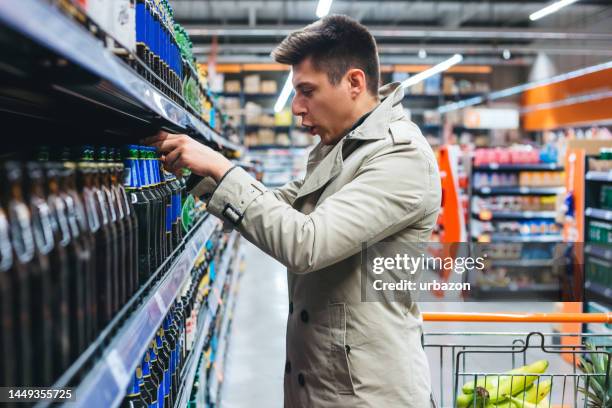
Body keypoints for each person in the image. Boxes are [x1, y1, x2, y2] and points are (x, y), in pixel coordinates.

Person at [146, 14, 441, 408]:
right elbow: (282, 206)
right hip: (325, 381)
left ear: (354, 83)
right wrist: (198, 175)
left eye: (307, 91)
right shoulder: (342, 147)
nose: (297, 109)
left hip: (368, 394)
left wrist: (221, 167)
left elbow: (307, 243)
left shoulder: (399, 156)